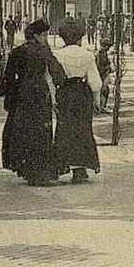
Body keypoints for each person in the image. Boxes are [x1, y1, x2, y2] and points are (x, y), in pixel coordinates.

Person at [0, 20, 66, 186]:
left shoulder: (17, 51)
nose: (46, 38)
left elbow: (7, 77)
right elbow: (58, 73)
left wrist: (8, 96)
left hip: (21, 94)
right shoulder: (43, 51)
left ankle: (26, 169)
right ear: (36, 35)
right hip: (40, 95)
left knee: (23, 132)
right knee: (41, 133)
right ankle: (40, 171)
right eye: (44, 35)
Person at [52, 19, 102, 184]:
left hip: (64, 93)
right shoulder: (87, 55)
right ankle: (80, 169)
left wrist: (53, 99)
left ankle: (64, 165)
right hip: (82, 94)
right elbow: (95, 82)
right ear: (80, 37)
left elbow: (50, 80)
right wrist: (97, 100)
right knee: (83, 129)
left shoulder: (57, 55)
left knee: (64, 129)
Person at [95, 39, 113, 111]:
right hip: (100, 75)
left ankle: (102, 106)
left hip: (102, 75)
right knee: (103, 91)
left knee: (104, 91)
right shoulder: (100, 53)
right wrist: (108, 69)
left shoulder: (103, 53)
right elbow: (100, 66)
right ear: (104, 46)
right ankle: (101, 107)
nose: (108, 48)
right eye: (108, 46)